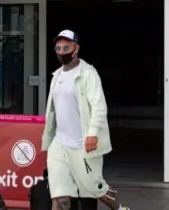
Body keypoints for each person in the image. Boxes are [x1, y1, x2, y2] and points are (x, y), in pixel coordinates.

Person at [42, 30, 130, 210]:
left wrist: (92, 134)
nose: (61, 51)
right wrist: (48, 140)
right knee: (59, 192)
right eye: (58, 48)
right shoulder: (56, 76)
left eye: (66, 47)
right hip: (59, 144)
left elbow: (99, 106)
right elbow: (53, 112)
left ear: (76, 48)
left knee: (95, 188)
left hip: (82, 145)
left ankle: (120, 208)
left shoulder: (88, 74)